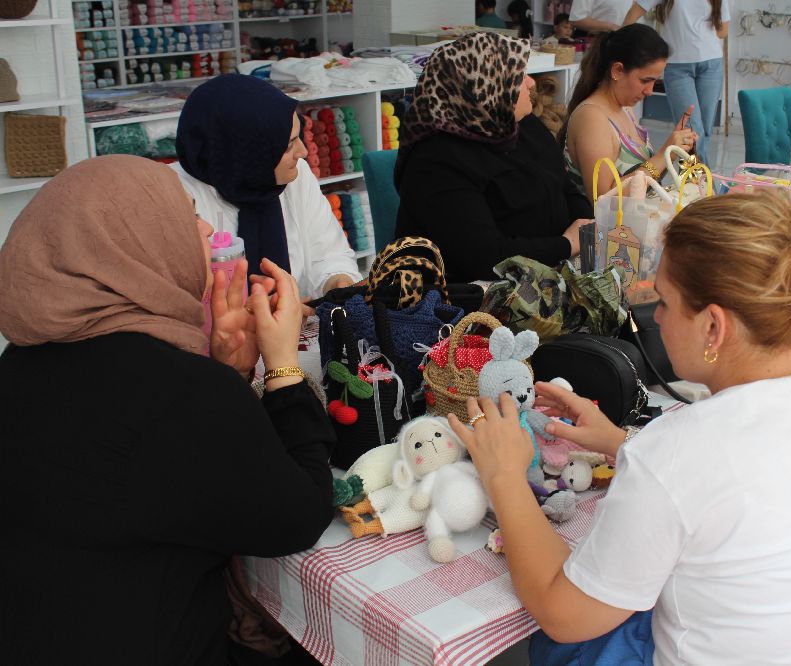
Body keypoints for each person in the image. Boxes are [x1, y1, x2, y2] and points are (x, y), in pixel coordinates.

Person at [449, 192, 791, 664]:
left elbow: (564, 614)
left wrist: (506, 477)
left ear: (713, 327)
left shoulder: (677, 453)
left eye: (662, 301)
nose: (654, 317)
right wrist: (622, 443)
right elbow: (761, 480)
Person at [0, 155, 335, 664]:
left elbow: (158, 473)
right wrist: (283, 366)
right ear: (127, 247)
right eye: (184, 215)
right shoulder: (177, 392)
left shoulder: (22, 362)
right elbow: (300, 516)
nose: (203, 228)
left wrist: (227, 372)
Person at [394, 32, 593, 281]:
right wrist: (566, 244)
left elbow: (565, 186)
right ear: (482, 88)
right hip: (471, 299)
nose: (531, 83)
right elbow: (485, 257)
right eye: (518, 77)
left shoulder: (523, 127)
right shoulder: (435, 163)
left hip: (548, 274)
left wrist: (584, 227)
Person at [174, 73, 361, 301]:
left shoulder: (296, 176)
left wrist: (338, 282)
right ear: (246, 154)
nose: (302, 152)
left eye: (298, 137)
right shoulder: (175, 197)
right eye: (288, 145)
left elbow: (329, 254)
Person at [561, 23, 697, 197]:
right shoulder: (592, 118)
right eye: (644, 80)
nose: (649, 91)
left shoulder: (625, 109)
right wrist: (663, 154)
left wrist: (673, 151)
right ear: (617, 71)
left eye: (654, 81)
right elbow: (602, 201)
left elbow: (645, 179)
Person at [623, 0, 730, 168]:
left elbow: (723, 30)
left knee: (704, 133)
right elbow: (633, 14)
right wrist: (623, 46)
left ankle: (694, 188)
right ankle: (704, 188)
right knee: (691, 131)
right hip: (678, 66)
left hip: (711, 64)